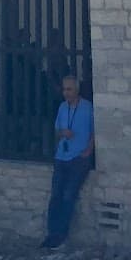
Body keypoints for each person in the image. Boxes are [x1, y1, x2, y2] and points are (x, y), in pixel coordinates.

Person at [42, 75, 94, 249]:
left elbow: (95, 130)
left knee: (68, 195)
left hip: (78, 158)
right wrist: (62, 133)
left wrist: (88, 150)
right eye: (64, 89)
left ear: (76, 90)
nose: (66, 93)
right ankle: (52, 233)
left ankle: (60, 234)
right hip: (61, 156)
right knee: (56, 195)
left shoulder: (87, 108)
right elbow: (57, 130)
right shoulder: (62, 107)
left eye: (69, 89)